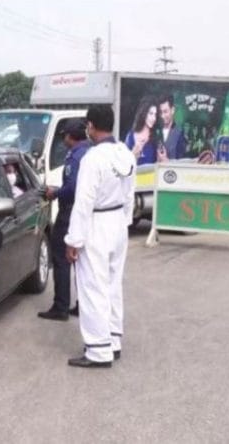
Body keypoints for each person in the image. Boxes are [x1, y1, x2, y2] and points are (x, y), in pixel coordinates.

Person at [65, 104, 136, 369]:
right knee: (112, 284)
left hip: (97, 223)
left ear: (91, 126)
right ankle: (113, 340)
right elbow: (130, 192)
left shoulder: (92, 158)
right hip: (118, 222)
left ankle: (97, 350)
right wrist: (125, 222)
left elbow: (83, 202)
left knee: (93, 287)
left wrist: (73, 240)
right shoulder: (125, 154)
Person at [37, 118, 90, 321]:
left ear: (70, 137)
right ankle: (82, 304)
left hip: (70, 212)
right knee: (82, 263)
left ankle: (60, 306)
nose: (63, 140)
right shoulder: (90, 151)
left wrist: (54, 193)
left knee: (61, 258)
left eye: (65, 136)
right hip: (85, 214)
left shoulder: (76, 156)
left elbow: (74, 188)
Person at [125, 96, 162, 165]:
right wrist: (133, 156)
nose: (154, 118)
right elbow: (124, 166)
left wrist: (161, 160)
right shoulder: (130, 136)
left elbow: (158, 166)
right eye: (151, 114)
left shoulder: (156, 138)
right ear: (143, 113)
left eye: (155, 114)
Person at [158, 94, 188, 161]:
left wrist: (165, 160)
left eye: (165, 112)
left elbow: (182, 165)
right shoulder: (156, 131)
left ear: (172, 110)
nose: (162, 116)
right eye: (160, 112)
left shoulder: (179, 134)